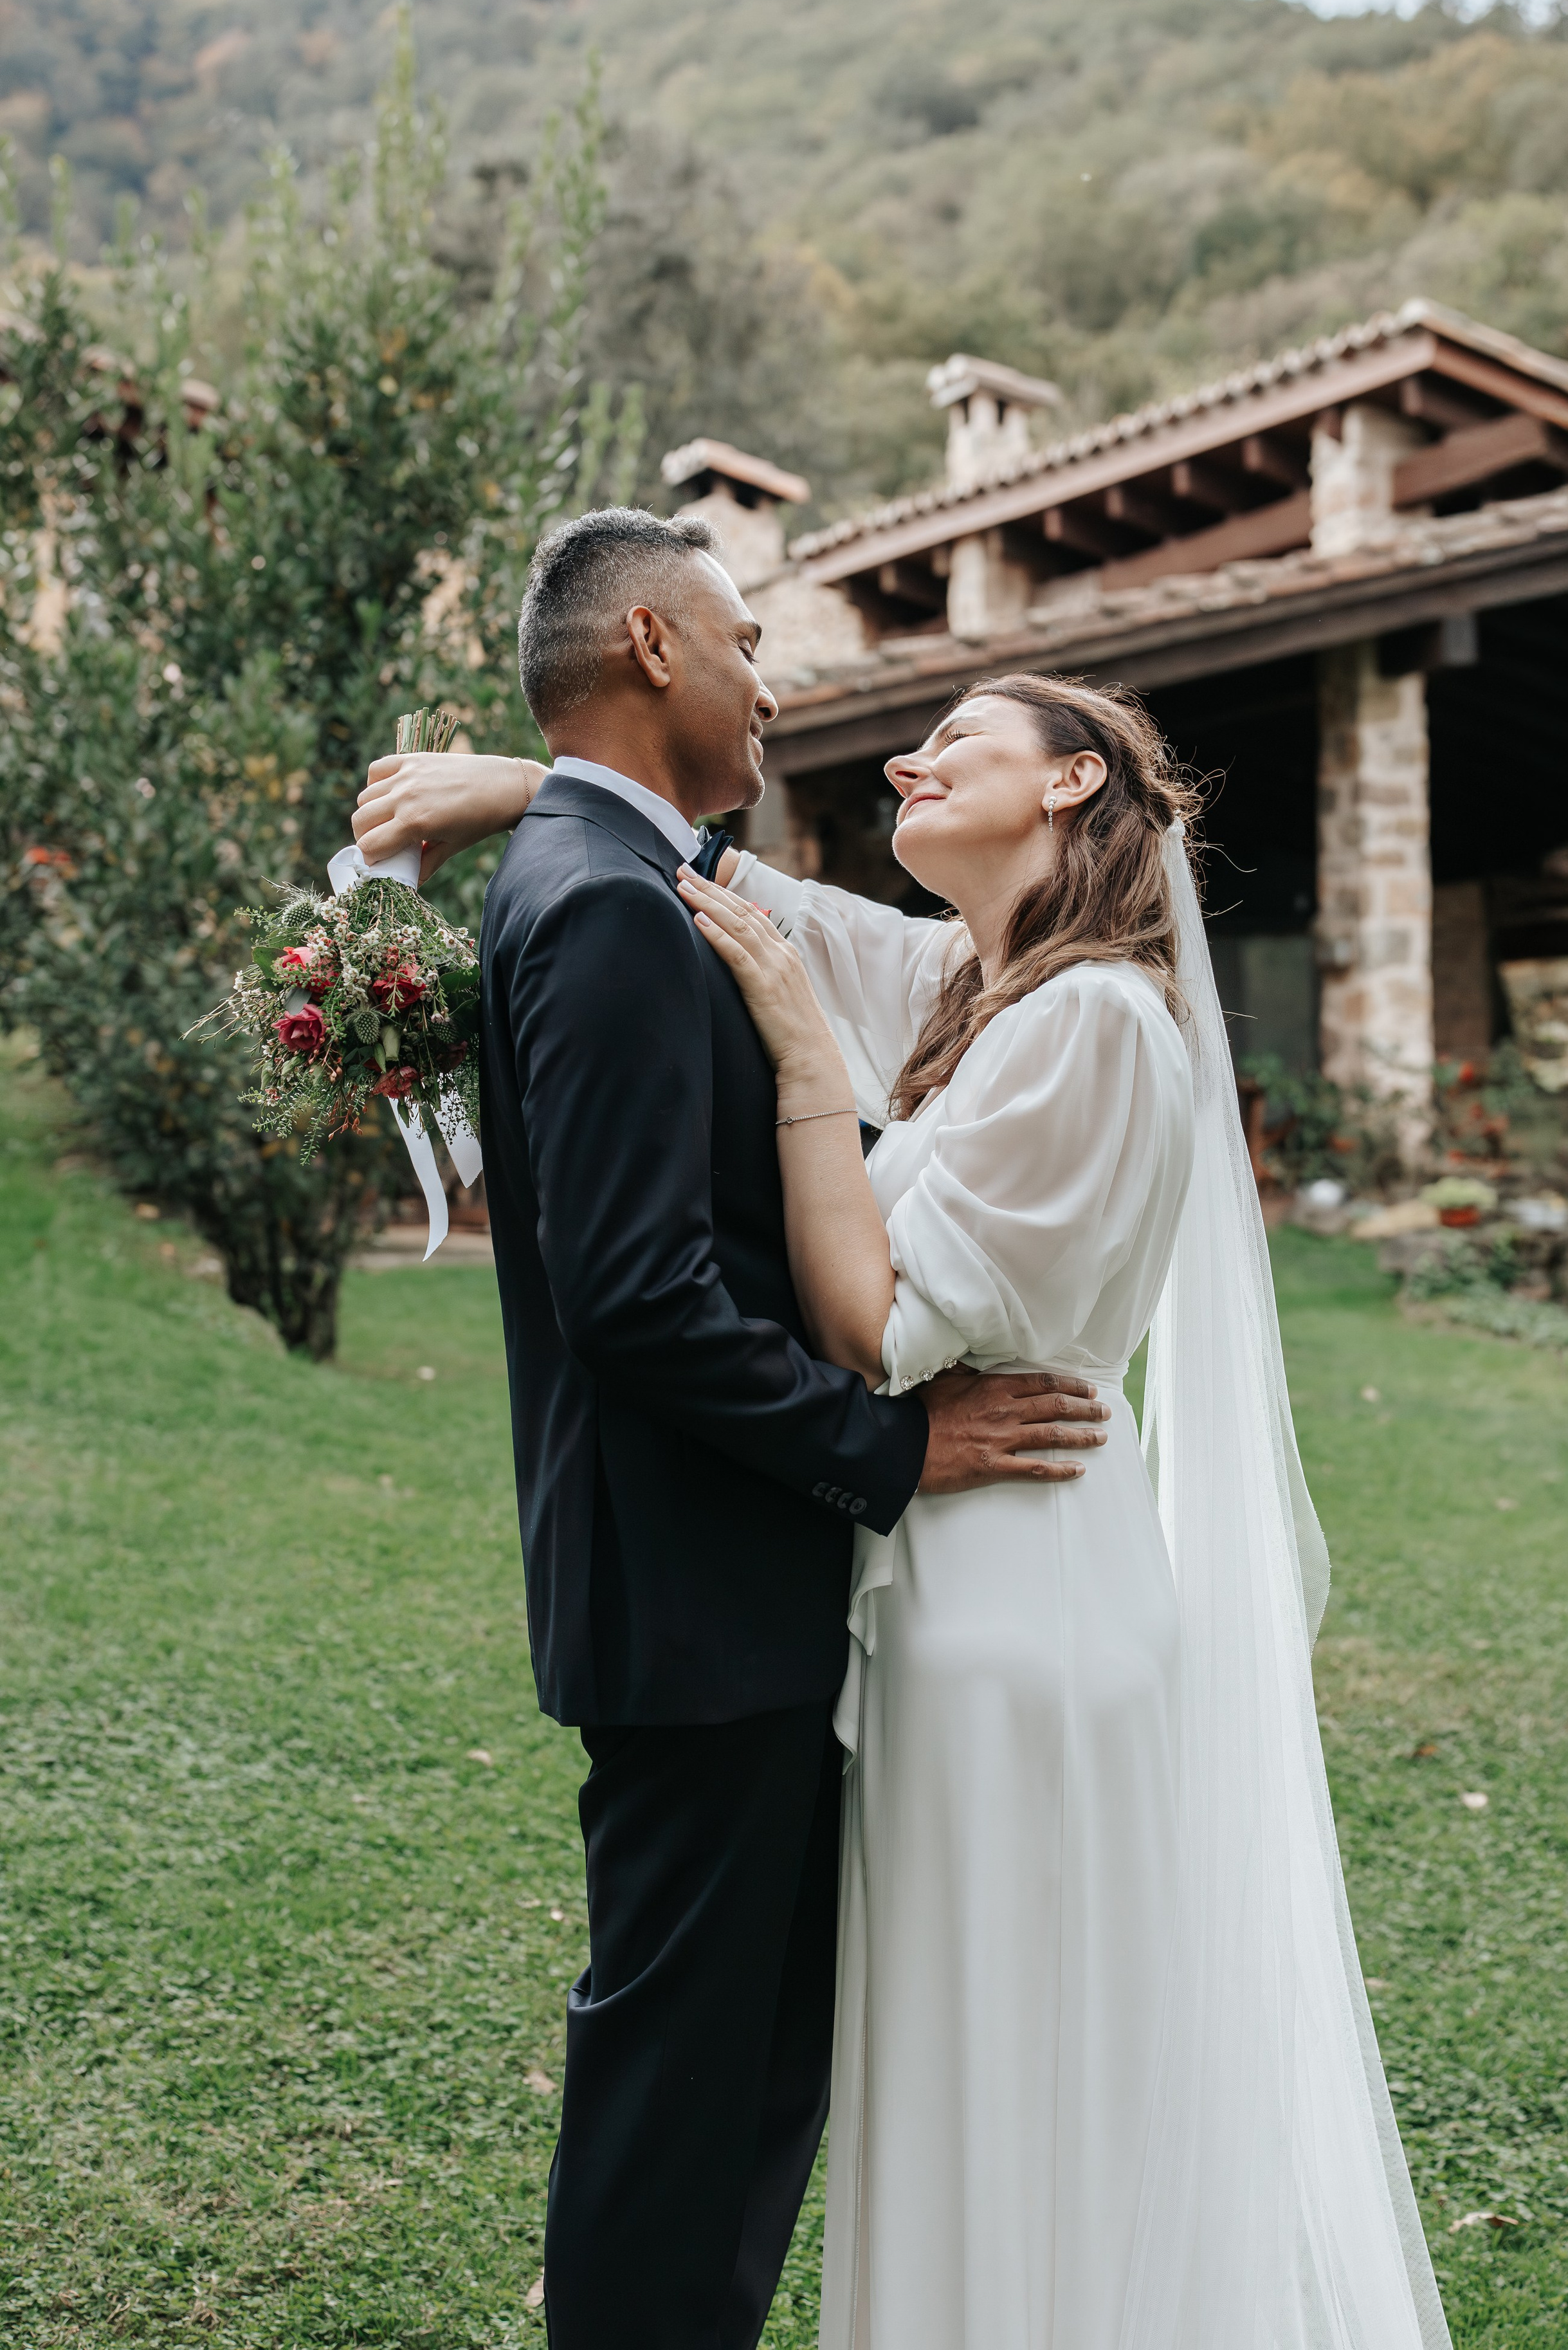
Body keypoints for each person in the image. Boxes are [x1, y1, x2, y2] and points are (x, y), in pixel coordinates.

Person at [362, 656, 1454, 2350]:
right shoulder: (987, 984)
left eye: (965, 741)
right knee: (966, 2055)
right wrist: (530, 786)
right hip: (962, 1592)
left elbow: (873, 1319)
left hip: (1019, 1602)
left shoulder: (1089, 1020)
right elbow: (767, 897)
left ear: (1077, 783)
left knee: (1006, 2064)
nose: (912, 761)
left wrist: (805, 1059)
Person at [355, 510, 1110, 2350]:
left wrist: (519, 773)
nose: (779, 683)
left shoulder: (619, 869)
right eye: (749, 637)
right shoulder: (604, 900)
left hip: (713, 1588)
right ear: (657, 650)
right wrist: (890, 1453)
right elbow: (640, 1300)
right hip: (702, 1600)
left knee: (745, 2073)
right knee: (690, 2097)